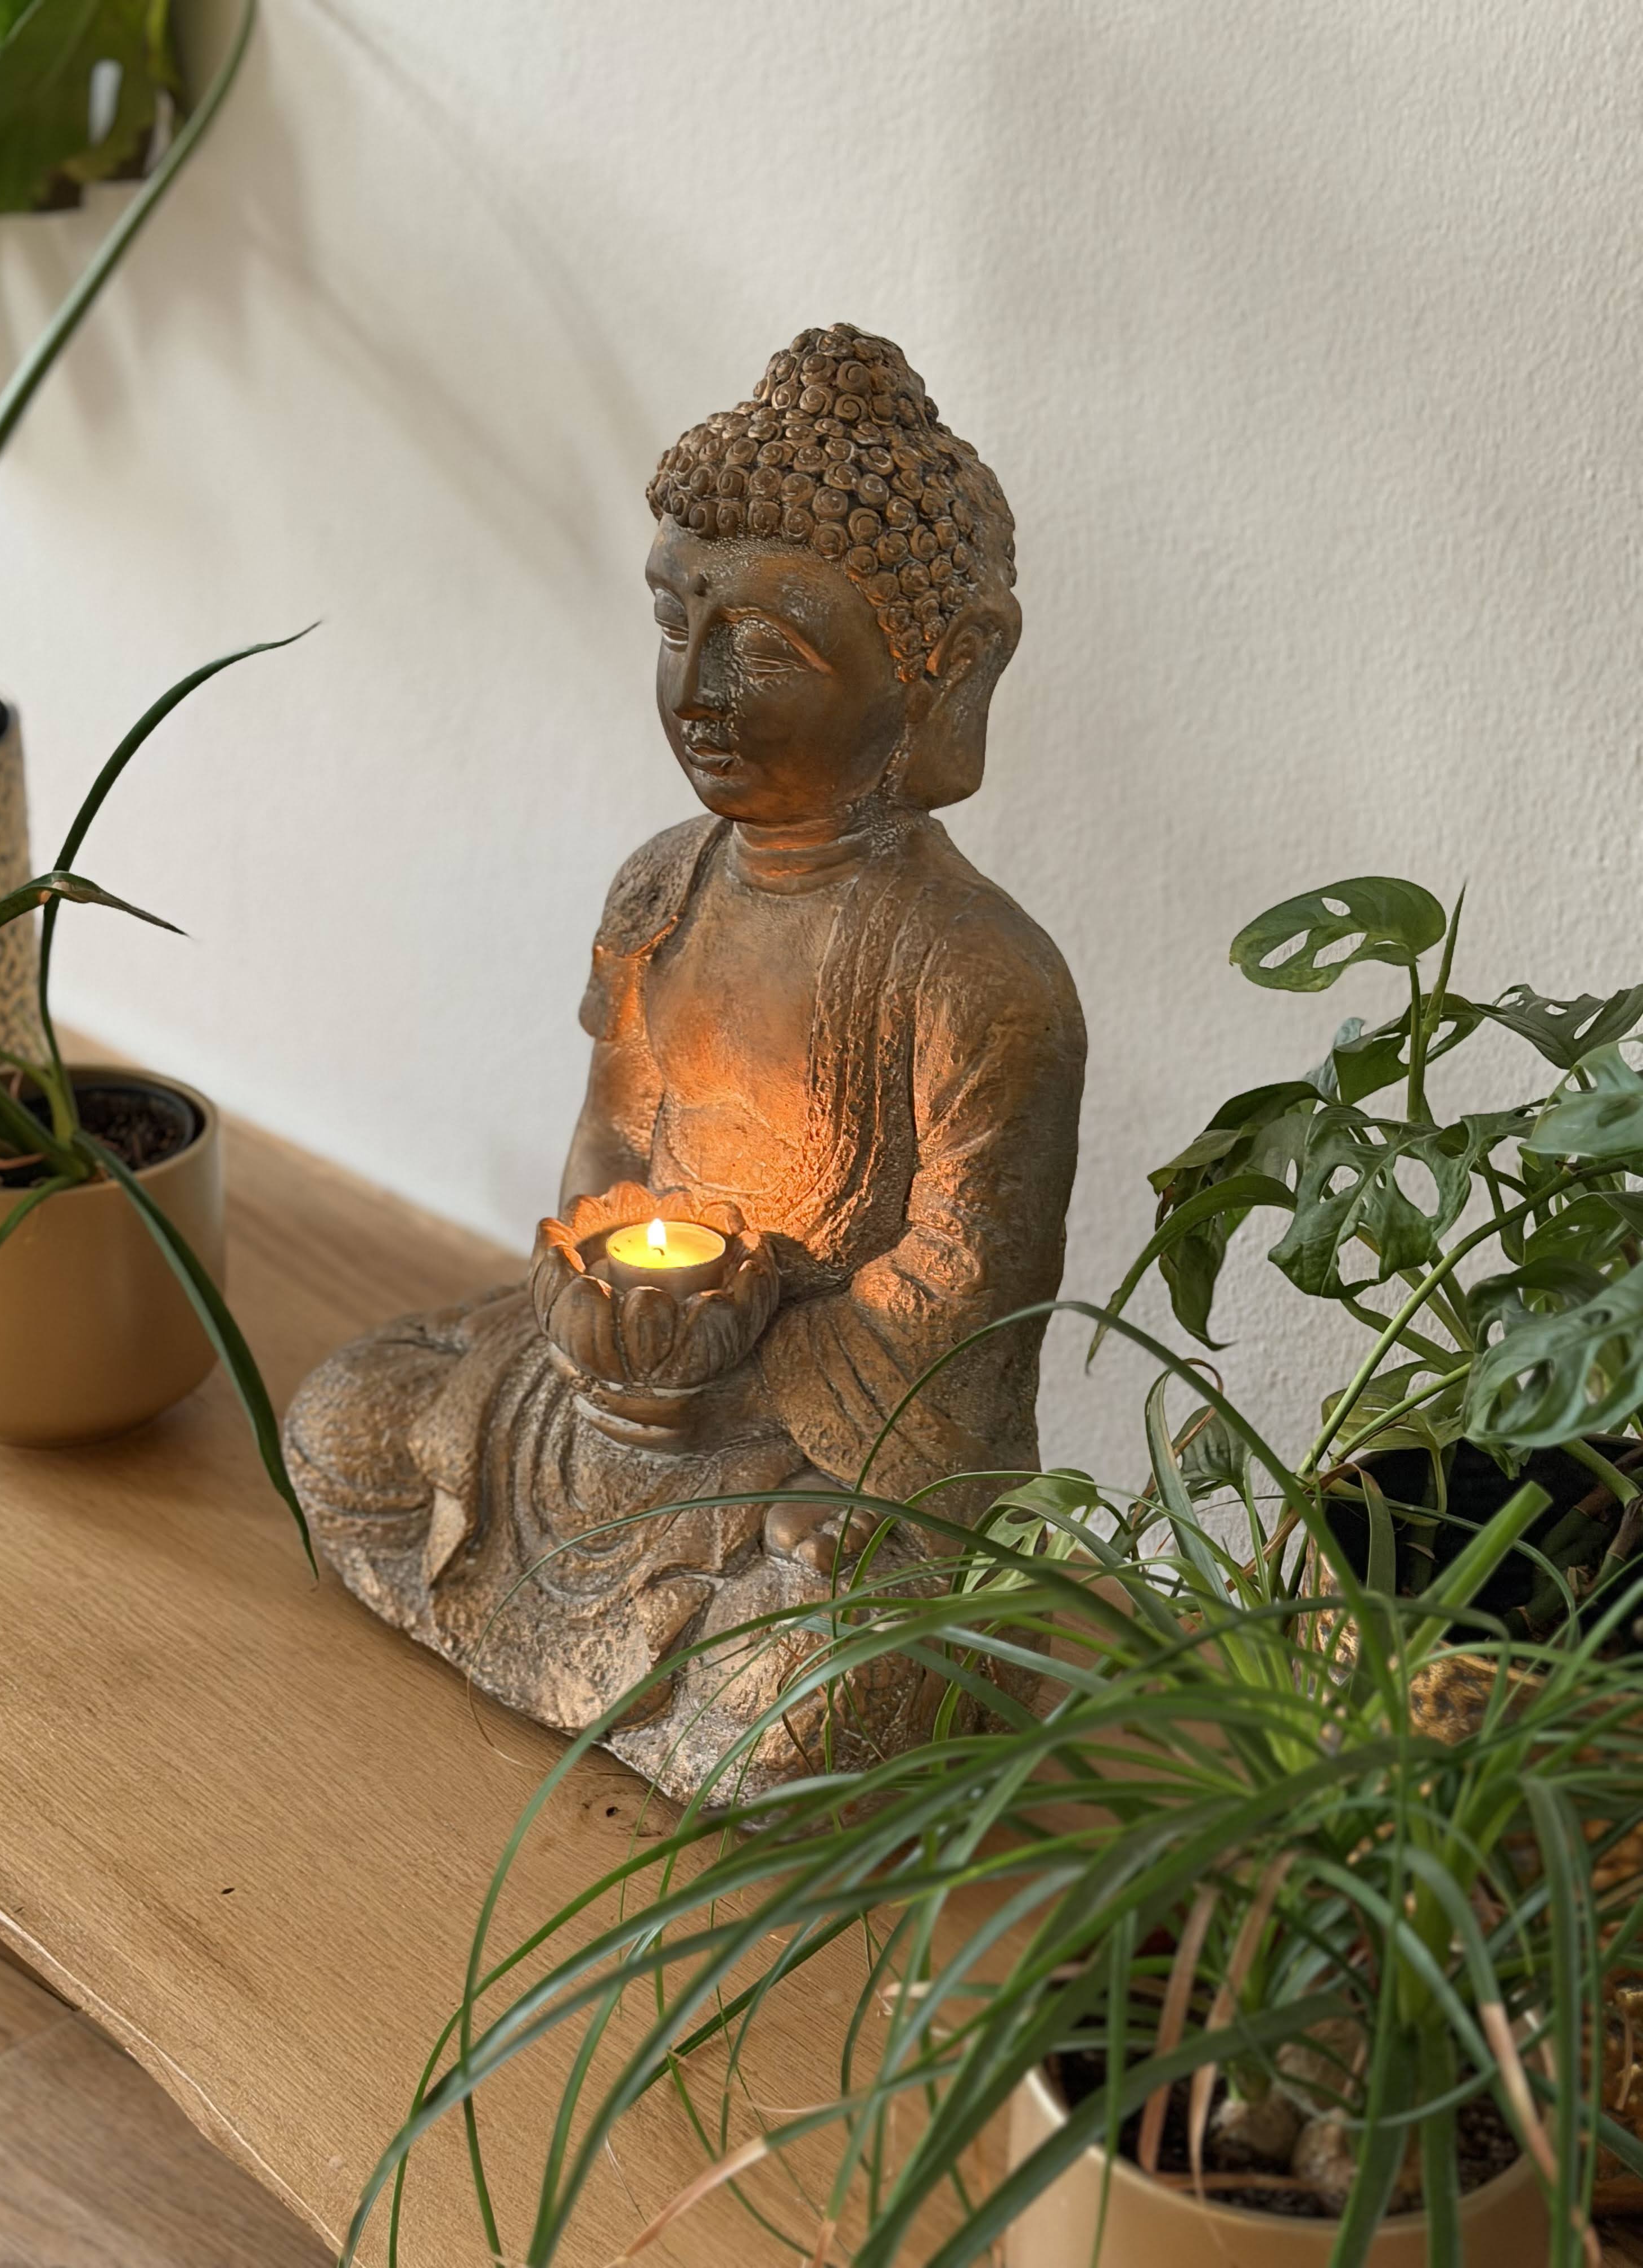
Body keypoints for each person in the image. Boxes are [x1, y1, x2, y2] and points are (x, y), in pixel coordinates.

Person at [285, 324, 1086, 1803]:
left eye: (769, 646)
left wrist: (734, 1358)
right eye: (675, 624)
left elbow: (963, 1303)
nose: (700, 688)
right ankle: (641, 1652)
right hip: (614, 1401)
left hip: (821, 1447)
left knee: (821, 1683)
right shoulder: (663, 887)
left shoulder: (981, 976)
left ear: (940, 669)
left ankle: (753, 1672)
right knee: (341, 1422)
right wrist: (598, 1305)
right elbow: (613, 1146)